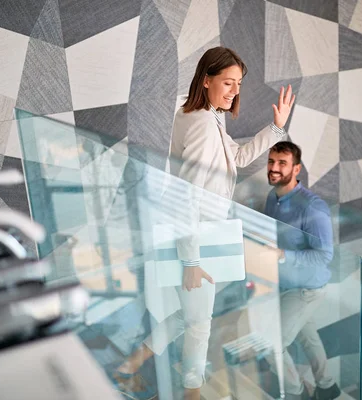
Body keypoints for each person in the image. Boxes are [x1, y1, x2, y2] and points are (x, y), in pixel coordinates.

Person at [114, 47, 295, 399]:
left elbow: (238, 157)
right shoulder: (200, 122)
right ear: (206, 79)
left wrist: (276, 127)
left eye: (238, 84)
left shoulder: (206, 114)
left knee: (188, 317)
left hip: (200, 234)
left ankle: (130, 365)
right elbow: (189, 195)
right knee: (200, 324)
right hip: (194, 235)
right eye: (228, 82)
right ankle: (191, 393)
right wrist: (192, 261)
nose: (234, 91)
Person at [264, 142, 341, 400]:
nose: (274, 168)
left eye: (282, 163)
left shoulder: (312, 207)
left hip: (307, 289)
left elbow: (324, 255)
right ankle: (328, 386)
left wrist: (284, 255)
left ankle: (295, 394)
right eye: (271, 161)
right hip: (286, 285)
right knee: (308, 337)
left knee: (272, 343)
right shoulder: (271, 197)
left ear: (296, 169)